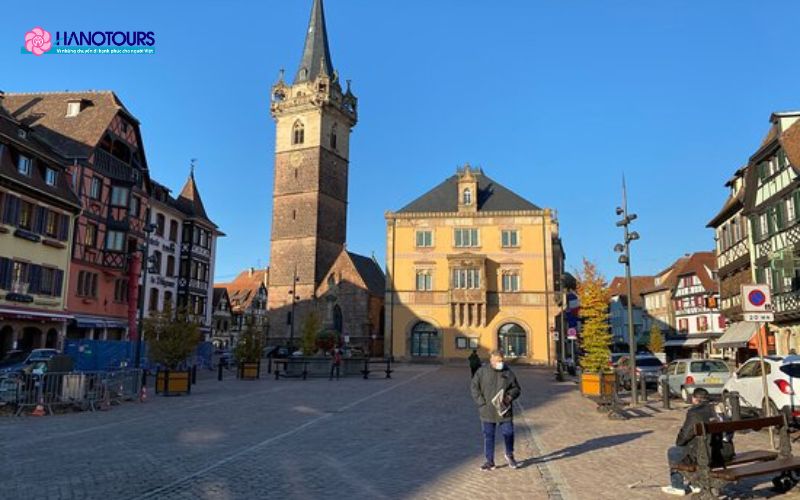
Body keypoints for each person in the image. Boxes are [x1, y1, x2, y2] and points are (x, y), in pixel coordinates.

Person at [662, 388, 734, 496]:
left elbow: (684, 436)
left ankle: (677, 486)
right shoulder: (718, 409)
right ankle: (696, 484)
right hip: (725, 452)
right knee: (696, 449)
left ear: (695, 399)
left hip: (707, 455)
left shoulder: (695, 412)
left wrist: (681, 442)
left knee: (673, 452)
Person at [470, 350, 522, 471]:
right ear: (491, 360)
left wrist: (509, 397)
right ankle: (490, 461)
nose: (501, 363)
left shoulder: (508, 372)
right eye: (498, 361)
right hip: (487, 410)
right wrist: (481, 403)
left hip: (504, 409)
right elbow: (474, 387)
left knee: (508, 432)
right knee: (489, 435)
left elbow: (516, 388)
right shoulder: (482, 372)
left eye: (502, 360)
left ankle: (509, 454)